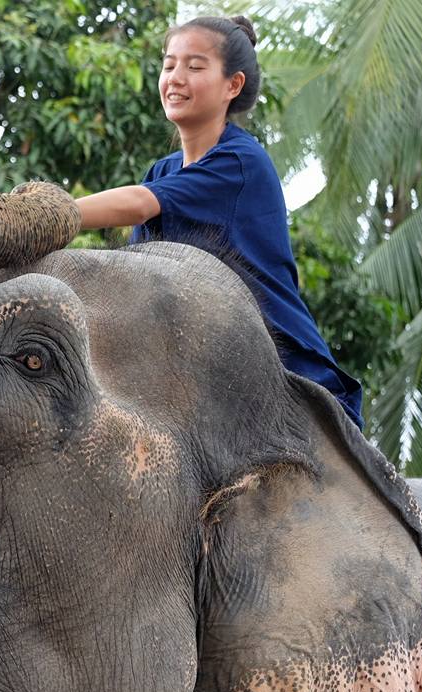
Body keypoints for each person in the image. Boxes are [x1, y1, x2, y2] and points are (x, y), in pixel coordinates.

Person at [76, 15, 364, 430]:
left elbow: (138, 204)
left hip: (280, 370)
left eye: (194, 67)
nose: (175, 78)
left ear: (233, 85)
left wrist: (50, 213)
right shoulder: (163, 171)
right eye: (169, 64)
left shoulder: (239, 161)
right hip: (196, 372)